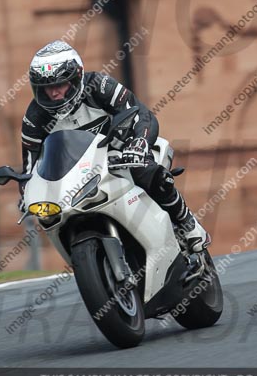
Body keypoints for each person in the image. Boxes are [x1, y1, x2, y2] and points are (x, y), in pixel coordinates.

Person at [20, 40, 209, 252]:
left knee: (143, 169)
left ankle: (187, 222)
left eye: (59, 85)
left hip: (120, 152)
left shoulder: (99, 85)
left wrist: (138, 143)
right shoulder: (35, 116)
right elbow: (29, 165)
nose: (53, 93)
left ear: (76, 78)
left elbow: (141, 114)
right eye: (46, 88)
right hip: (77, 175)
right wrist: (27, 192)